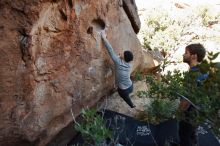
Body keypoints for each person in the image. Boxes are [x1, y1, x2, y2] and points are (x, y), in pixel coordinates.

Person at [179, 43, 207, 146]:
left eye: (186, 53)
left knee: (185, 138)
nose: (183, 55)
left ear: (194, 56)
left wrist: (178, 112)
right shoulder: (203, 71)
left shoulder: (194, 74)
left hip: (190, 114)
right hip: (198, 113)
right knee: (192, 138)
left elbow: (187, 99)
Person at [100, 30, 135, 108]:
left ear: (124, 57)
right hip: (130, 86)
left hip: (124, 90)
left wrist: (104, 38)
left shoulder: (118, 62)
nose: (121, 53)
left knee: (125, 97)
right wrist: (120, 57)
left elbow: (110, 50)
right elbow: (123, 60)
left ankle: (131, 105)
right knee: (127, 95)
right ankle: (131, 103)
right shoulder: (129, 64)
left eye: (123, 53)